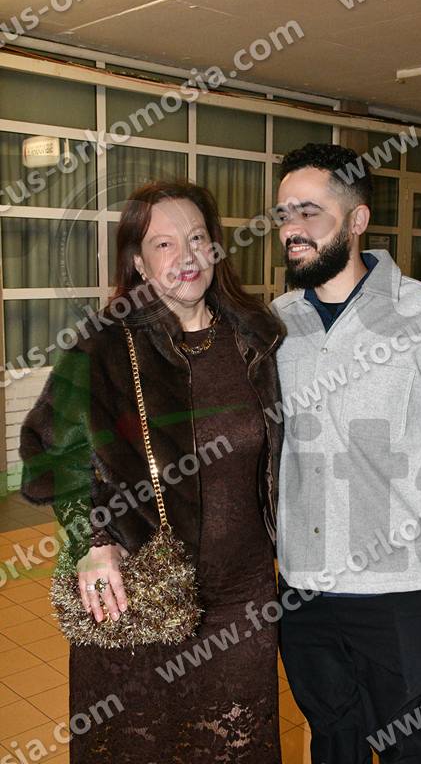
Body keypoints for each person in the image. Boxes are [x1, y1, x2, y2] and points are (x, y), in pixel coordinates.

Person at [19, 180, 285, 764]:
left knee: (234, 747)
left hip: (241, 597)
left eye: (197, 238)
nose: (186, 256)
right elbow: (49, 454)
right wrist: (94, 539)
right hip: (142, 590)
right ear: (138, 262)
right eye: (164, 244)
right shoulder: (103, 347)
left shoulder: (255, 340)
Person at [270, 143, 421, 764]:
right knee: (332, 740)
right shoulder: (274, 325)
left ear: (357, 219)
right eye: (284, 215)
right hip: (304, 590)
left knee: (412, 748)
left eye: (309, 212)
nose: (291, 229)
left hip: (402, 592)